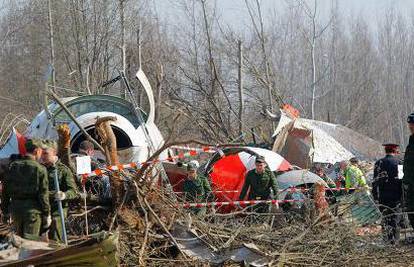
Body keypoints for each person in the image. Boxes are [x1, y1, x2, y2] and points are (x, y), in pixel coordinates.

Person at [1, 139, 50, 240]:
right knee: (31, 243)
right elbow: (43, 194)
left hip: (16, 210)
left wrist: (5, 211)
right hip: (33, 212)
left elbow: (5, 192)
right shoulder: (40, 169)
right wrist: (46, 213)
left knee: (19, 241)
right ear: (37, 151)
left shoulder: (12, 166)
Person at [41, 140, 78, 242]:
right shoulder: (39, 169)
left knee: (55, 230)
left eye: (45, 153)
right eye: (41, 153)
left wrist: (64, 195)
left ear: (54, 152)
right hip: (41, 207)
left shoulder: (63, 170)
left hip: (57, 209)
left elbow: (74, 192)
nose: (42, 156)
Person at [372, 144, 402, 244]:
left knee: (385, 219)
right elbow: (402, 182)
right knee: (395, 220)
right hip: (396, 197)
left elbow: (375, 182)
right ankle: (395, 242)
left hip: (383, 196)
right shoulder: (399, 163)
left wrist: (375, 196)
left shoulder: (378, 163)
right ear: (395, 151)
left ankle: (386, 241)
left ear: (386, 151)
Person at [403, 113, 414, 230]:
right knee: (411, 212)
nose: (410, 127)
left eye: (413, 124)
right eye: (410, 125)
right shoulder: (411, 143)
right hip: (410, 185)